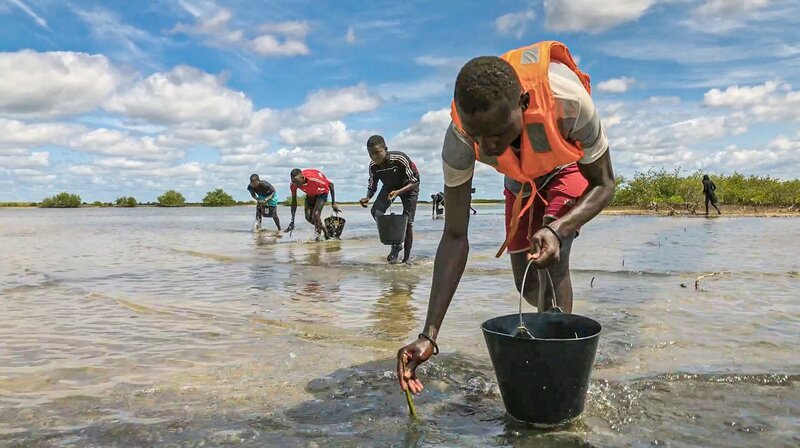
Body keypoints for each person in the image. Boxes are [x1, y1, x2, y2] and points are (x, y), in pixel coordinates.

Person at [396, 41, 616, 396]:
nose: (487, 147)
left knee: (552, 258)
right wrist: (429, 336)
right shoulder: (459, 138)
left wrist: (558, 229)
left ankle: (553, 372)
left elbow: (605, 184)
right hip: (520, 177)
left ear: (524, 104)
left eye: (498, 133)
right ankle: (547, 323)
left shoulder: (569, 103)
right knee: (526, 285)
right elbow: (454, 236)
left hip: (566, 166)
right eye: (478, 136)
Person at [359, 135, 420, 264]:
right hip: (389, 188)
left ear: (385, 149)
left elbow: (415, 181)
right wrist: (368, 197)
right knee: (376, 212)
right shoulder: (373, 166)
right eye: (371, 154)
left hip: (408, 187)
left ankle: (406, 259)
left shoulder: (399, 158)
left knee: (408, 222)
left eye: (377, 153)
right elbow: (372, 185)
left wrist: (399, 192)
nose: (374, 157)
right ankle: (396, 244)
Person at [286, 168, 340, 239]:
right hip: (310, 194)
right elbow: (294, 202)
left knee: (316, 215)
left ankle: (318, 239)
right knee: (308, 217)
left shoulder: (314, 179)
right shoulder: (293, 185)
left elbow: (331, 185)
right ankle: (324, 230)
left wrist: (333, 203)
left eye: (297, 182)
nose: (295, 185)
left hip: (322, 192)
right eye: (293, 182)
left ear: (303, 178)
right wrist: (292, 221)